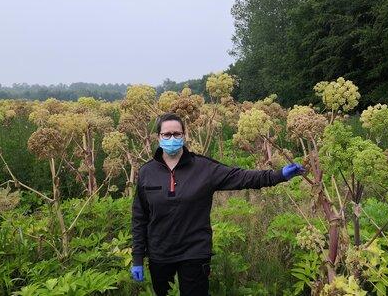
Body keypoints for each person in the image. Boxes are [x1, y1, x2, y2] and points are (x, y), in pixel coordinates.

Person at [130, 112, 305, 296]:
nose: (172, 138)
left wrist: (278, 175)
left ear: (184, 135)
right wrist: (137, 258)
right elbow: (140, 218)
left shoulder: (204, 168)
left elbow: (241, 177)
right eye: (167, 134)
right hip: (160, 254)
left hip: (195, 252)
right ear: (158, 137)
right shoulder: (146, 172)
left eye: (177, 134)